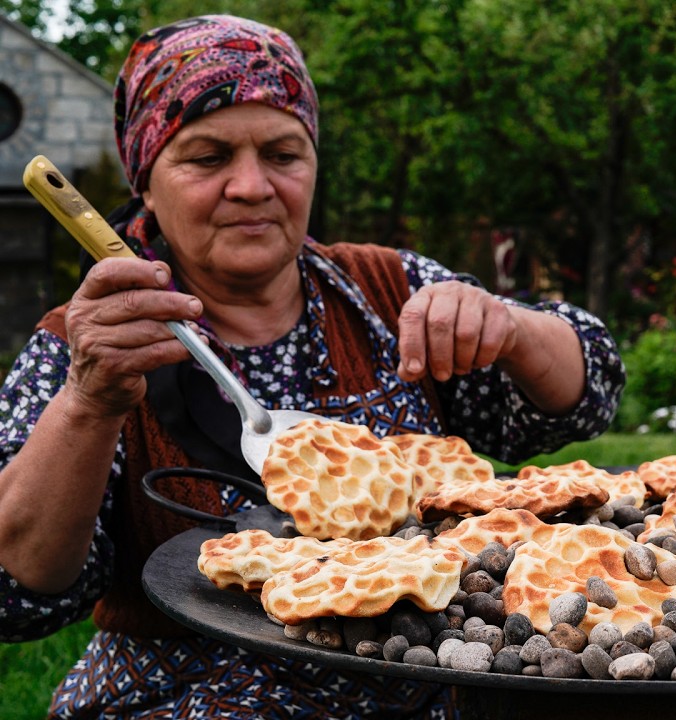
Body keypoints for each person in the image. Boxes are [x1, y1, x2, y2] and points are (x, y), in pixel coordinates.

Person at [0, 15, 624, 719]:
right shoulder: (90, 345)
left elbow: (588, 392)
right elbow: (20, 588)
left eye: (283, 153)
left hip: (419, 673)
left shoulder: (388, 292)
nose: (251, 186)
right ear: (146, 182)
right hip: (190, 692)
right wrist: (88, 402)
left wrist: (511, 327)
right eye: (207, 157)